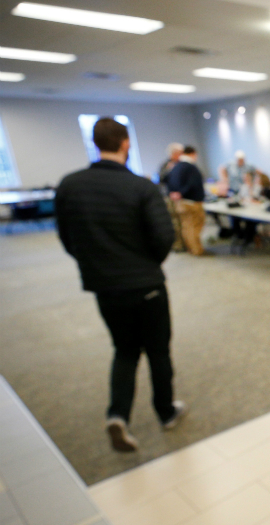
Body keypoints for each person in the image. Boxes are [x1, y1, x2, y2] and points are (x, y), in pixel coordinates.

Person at [54, 117, 186, 453]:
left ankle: (117, 416)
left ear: (96, 144)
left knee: (125, 351)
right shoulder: (140, 187)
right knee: (158, 351)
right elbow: (163, 237)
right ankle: (166, 412)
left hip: (105, 287)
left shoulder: (70, 185)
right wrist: (145, 264)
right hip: (146, 286)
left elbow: (68, 239)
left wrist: (99, 265)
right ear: (126, 143)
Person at [166, 146, 207, 256]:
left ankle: (191, 249)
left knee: (186, 226)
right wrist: (182, 193)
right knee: (195, 226)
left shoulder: (175, 167)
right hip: (191, 202)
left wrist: (175, 193)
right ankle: (197, 250)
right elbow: (193, 183)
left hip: (180, 203)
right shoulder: (190, 167)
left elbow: (168, 181)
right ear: (192, 153)